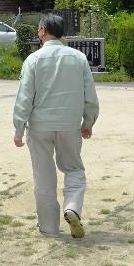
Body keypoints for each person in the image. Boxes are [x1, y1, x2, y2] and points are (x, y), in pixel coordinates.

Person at [13, 13, 99, 238]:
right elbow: (90, 95)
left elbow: (24, 97)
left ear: (42, 30)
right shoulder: (78, 58)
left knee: (43, 176)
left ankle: (49, 227)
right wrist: (88, 121)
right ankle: (72, 206)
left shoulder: (33, 59)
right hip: (70, 125)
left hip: (40, 126)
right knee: (73, 169)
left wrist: (18, 128)